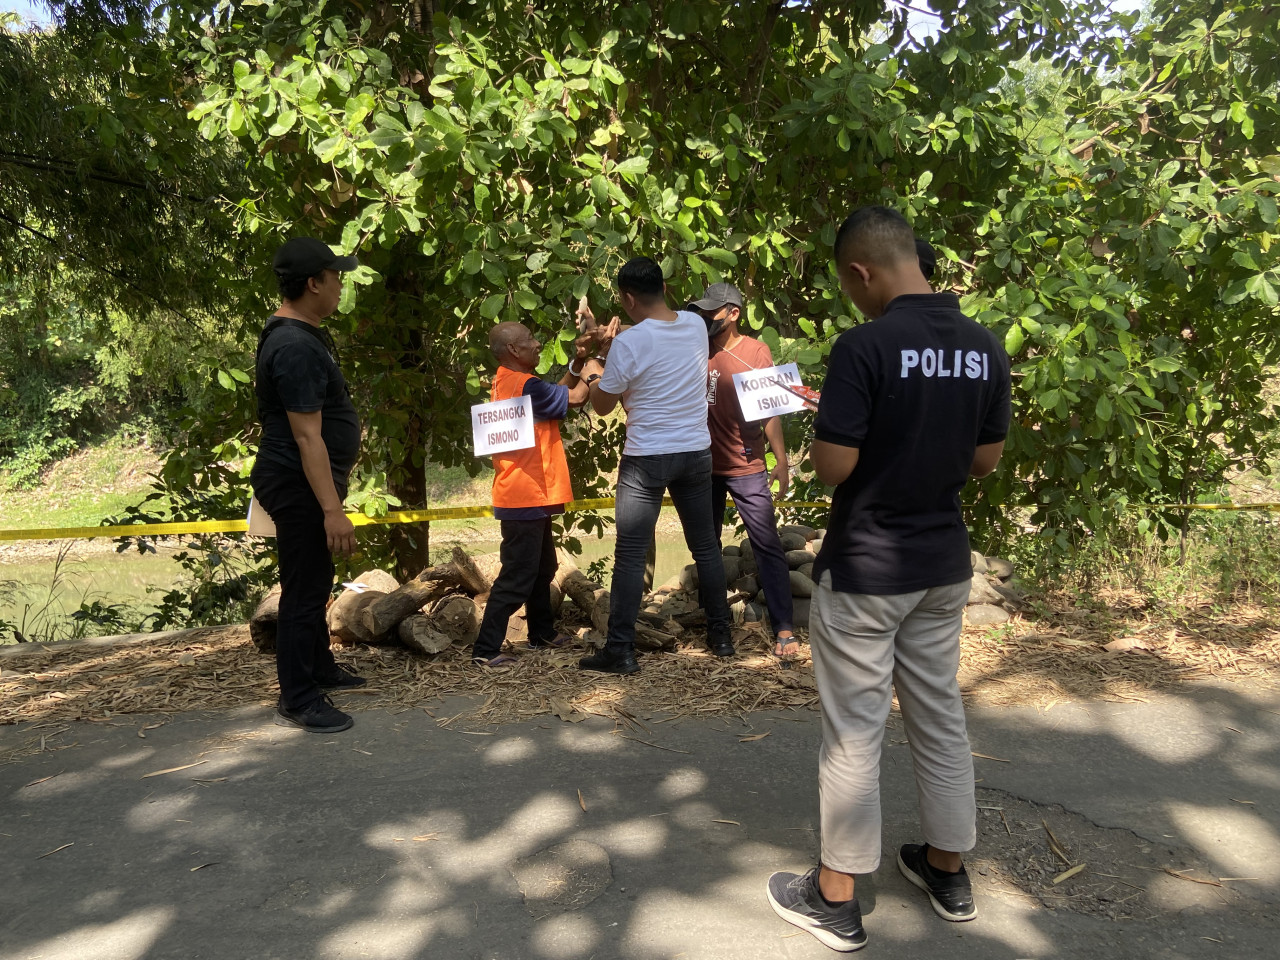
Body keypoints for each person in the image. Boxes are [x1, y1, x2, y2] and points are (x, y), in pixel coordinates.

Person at [766, 206, 1011, 951]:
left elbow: (835, 466)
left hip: (869, 568)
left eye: (849, 286)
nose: (853, 297)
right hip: (941, 566)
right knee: (939, 716)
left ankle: (836, 897)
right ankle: (947, 870)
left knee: (854, 734)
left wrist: (839, 425)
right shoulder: (984, 346)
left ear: (860, 271)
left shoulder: (864, 346)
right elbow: (984, 461)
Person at [581, 256, 735, 674]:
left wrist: (594, 370)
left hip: (646, 456)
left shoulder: (629, 345)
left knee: (630, 555)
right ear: (664, 289)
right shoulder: (694, 325)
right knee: (706, 547)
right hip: (695, 452)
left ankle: (620, 649)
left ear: (628, 298)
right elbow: (657, 341)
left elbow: (603, 404)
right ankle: (721, 637)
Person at [251, 237, 366, 735]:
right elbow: (306, 436)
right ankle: (297, 696)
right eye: (335, 276)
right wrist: (332, 510)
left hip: (303, 481)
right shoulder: (294, 346)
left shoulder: (301, 335)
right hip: (297, 482)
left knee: (316, 580)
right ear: (314, 283)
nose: (341, 285)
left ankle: (319, 666)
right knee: (303, 589)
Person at [471, 320, 608, 669]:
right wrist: (595, 366)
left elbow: (555, 394)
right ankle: (485, 649)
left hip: (526, 491)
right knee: (517, 576)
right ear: (513, 349)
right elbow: (576, 397)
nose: (537, 344)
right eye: (530, 339)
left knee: (544, 566)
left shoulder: (509, 381)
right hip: (526, 493)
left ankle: (541, 632)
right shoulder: (526, 386)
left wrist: (578, 361)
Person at [689, 281, 797, 660]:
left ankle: (784, 628)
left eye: (711, 312)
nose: (705, 318)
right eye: (702, 312)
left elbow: (770, 411)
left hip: (746, 465)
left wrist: (780, 461)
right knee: (706, 547)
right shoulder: (695, 348)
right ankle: (713, 622)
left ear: (733, 313)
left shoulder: (756, 351)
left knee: (767, 544)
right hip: (701, 466)